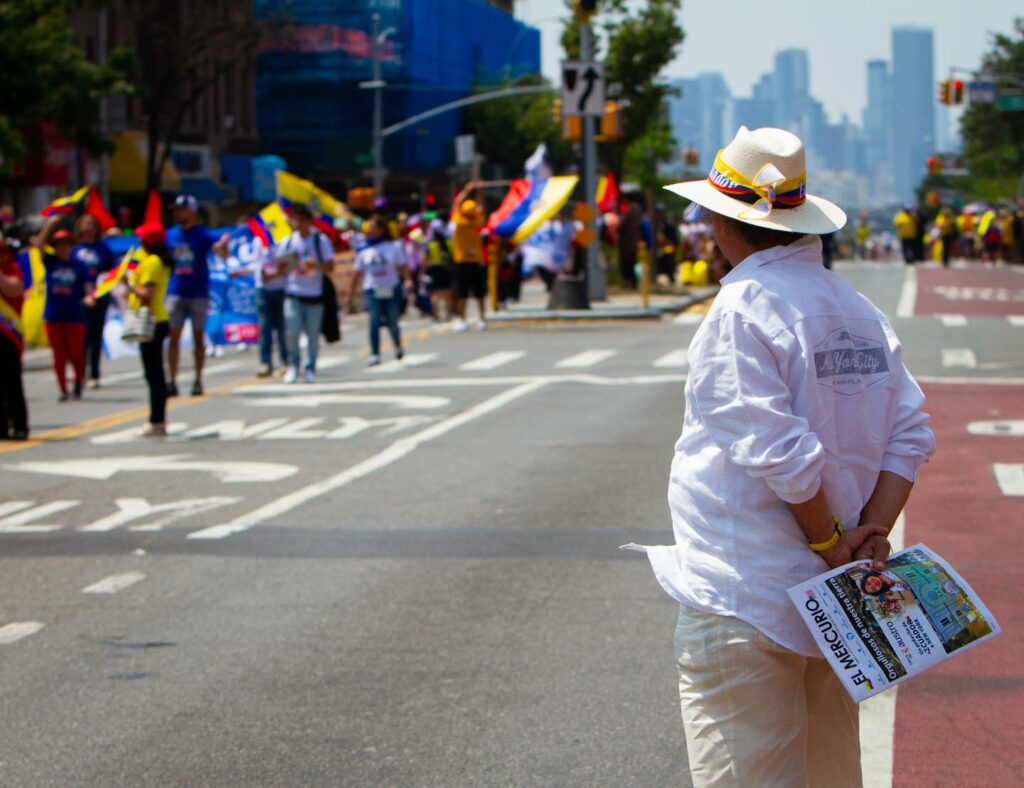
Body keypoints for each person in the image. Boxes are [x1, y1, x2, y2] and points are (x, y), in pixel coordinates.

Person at [635, 126, 936, 786]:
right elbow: (910, 435)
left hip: (750, 595)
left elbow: (781, 454)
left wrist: (833, 544)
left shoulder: (742, 306)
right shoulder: (856, 308)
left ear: (723, 220)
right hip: (835, 605)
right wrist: (866, 541)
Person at [277, 203, 334, 383]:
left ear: (309, 222)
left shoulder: (320, 241)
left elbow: (330, 266)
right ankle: (293, 364)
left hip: (314, 294)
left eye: (302, 220)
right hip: (293, 292)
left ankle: (310, 367)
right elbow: (280, 267)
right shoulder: (287, 241)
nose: (299, 224)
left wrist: (315, 265)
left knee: (312, 335)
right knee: (292, 331)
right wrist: (283, 265)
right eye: (296, 220)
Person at [37, 223, 94, 401]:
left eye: (66, 244)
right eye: (59, 244)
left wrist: (89, 297)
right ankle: (62, 388)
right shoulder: (50, 262)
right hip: (54, 315)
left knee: (76, 354)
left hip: (75, 315)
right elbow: (38, 245)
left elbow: (88, 287)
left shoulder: (78, 265)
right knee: (59, 355)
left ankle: (78, 382)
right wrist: (50, 224)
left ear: (71, 246)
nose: (63, 248)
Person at [165, 194, 215, 397]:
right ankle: (172, 380)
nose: (178, 213)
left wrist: (221, 248)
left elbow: (219, 250)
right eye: (176, 210)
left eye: (182, 209)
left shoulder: (202, 234)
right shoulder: (169, 235)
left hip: (198, 293)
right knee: (173, 337)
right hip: (176, 291)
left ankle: (198, 379)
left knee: (198, 337)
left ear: (192, 212)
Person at [126, 224, 171, 436]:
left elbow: (147, 293)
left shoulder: (152, 262)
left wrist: (130, 284)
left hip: (152, 320)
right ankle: (157, 419)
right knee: (154, 373)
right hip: (157, 319)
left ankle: (157, 420)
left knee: (154, 374)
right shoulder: (154, 260)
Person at [349, 217, 410, 366]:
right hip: (372, 288)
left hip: (390, 287)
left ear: (382, 229)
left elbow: (402, 266)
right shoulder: (363, 249)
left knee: (392, 321)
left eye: (374, 227)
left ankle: (397, 345)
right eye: (369, 227)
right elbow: (356, 272)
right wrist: (350, 294)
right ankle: (375, 353)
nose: (370, 230)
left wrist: (408, 280)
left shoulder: (392, 246)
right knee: (374, 321)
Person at [72, 214, 116, 388]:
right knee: (82, 335)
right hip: (79, 296)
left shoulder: (103, 248)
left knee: (95, 334)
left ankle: (95, 373)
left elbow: (111, 272)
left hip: (99, 295)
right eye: (85, 224)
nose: (89, 227)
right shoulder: (74, 249)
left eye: (92, 224)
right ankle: (80, 371)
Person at [0, 236, 29, 439]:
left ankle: (20, 426)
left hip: (8, 334)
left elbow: (14, 288)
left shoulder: (10, 266)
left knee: (12, 382)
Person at [449, 187, 487, 331]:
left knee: (462, 292)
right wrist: (479, 192)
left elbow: (456, 204)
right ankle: (482, 318)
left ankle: (462, 319)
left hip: (462, 261)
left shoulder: (458, 220)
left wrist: (466, 190)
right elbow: (482, 205)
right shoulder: (478, 219)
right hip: (476, 260)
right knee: (479, 293)